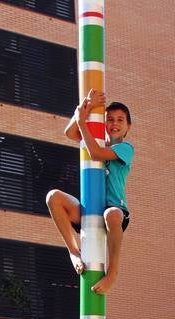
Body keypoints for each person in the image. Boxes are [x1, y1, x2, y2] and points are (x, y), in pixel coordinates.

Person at [46, 89, 134, 295]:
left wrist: (82, 122)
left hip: (114, 212)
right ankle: (73, 252)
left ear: (128, 126)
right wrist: (84, 107)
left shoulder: (126, 148)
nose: (114, 123)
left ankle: (112, 272)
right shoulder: (96, 140)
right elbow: (69, 132)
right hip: (89, 209)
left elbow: (95, 153)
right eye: (110, 119)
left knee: (111, 214)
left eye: (120, 120)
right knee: (53, 197)